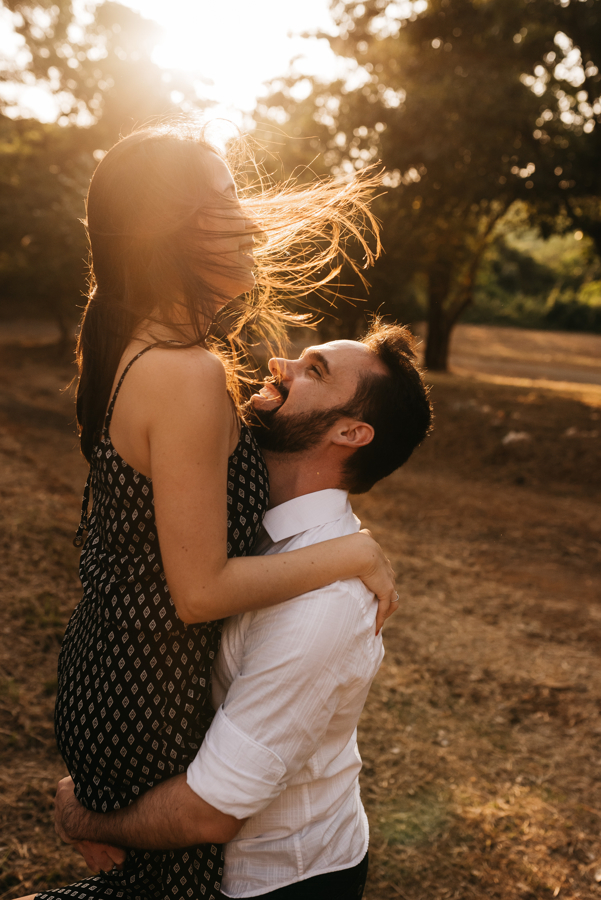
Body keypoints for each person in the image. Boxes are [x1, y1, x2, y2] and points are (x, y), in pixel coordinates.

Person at [21, 124, 399, 900]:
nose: (252, 223)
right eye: (228, 200)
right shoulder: (184, 372)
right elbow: (198, 593)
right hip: (144, 696)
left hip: (117, 677)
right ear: (176, 228)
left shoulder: (139, 346)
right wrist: (355, 553)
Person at [52, 321, 433, 899]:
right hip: (179, 856)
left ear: (351, 432)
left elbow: (212, 812)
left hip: (263, 884)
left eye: (314, 371)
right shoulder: (231, 515)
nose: (280, 364)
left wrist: (86, 816)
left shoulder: (325, 606)